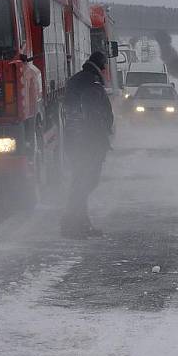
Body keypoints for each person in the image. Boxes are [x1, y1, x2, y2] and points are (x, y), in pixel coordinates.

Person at [61, 51, 114, 237]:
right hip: (88, 141)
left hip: (75, 139)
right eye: (105, 65)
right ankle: (73, 224)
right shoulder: (91, 84)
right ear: (101, 66)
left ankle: (78, 223)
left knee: (80, 181)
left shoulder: (78, 80)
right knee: (85, 181)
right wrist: (102, 140)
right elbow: (95, 116)